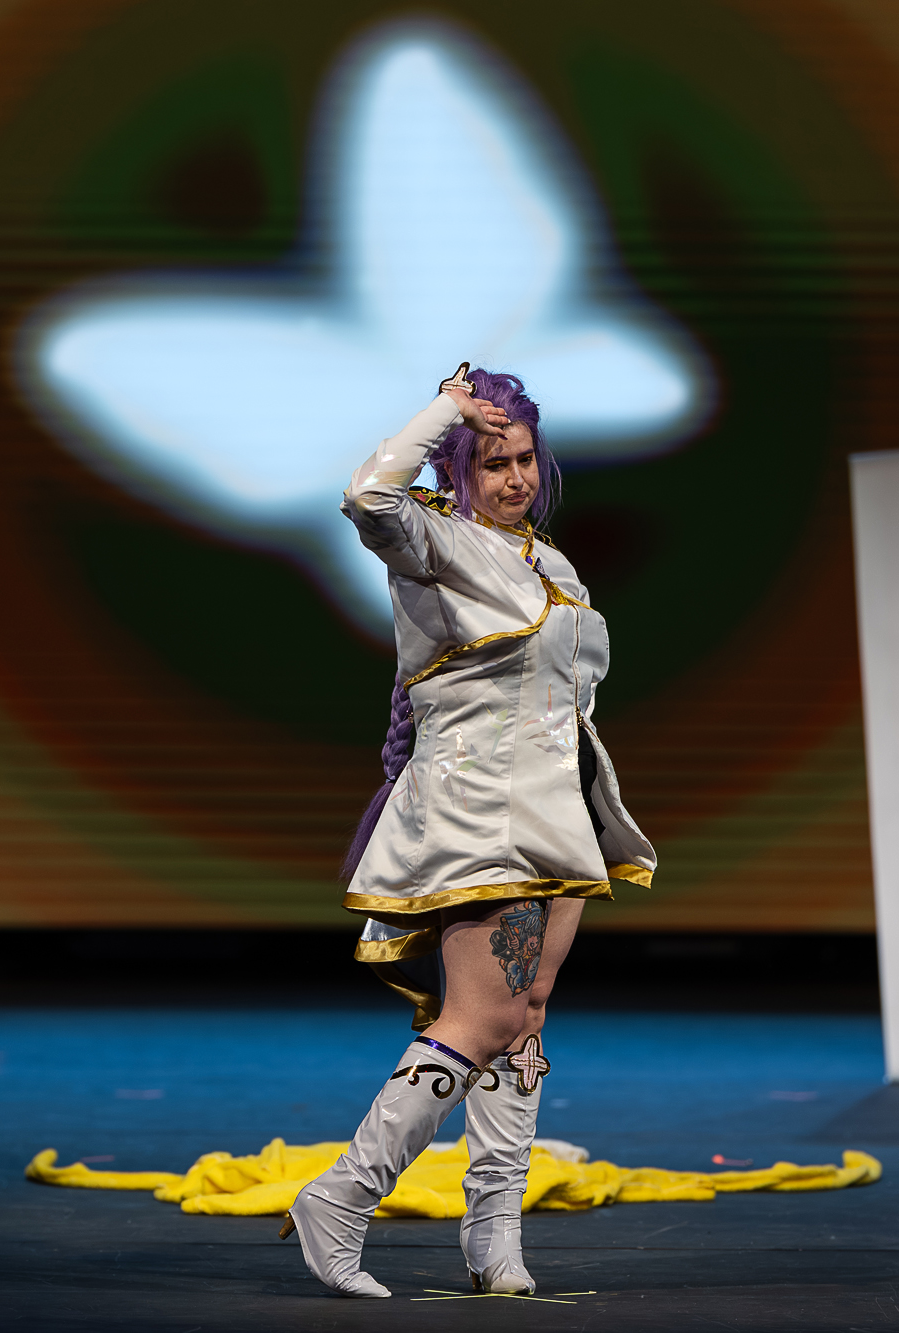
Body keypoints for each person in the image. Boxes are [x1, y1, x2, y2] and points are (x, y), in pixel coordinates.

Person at [282, 364, 656, 1298]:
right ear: (458, 470)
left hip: (556, 815)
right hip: (478, 810)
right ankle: (341, 1197)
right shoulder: (433, 538)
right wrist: (447, 409)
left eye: (524, 458)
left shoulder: (550, 564)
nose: (515, 477)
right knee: (481, 1017)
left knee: (523, 1018)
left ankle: (495, 1235)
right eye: (493, 462)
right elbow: (367, 493)